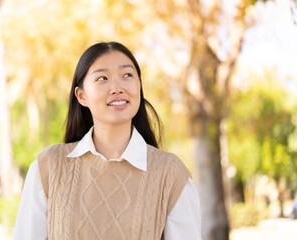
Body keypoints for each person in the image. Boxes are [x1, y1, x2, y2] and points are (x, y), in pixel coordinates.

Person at [13, 41, 202, 240]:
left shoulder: (171, 175)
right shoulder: (48, 167)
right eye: (102, 78)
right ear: (81, 96)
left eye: (127, 75)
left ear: (139, 86)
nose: (117, 88)